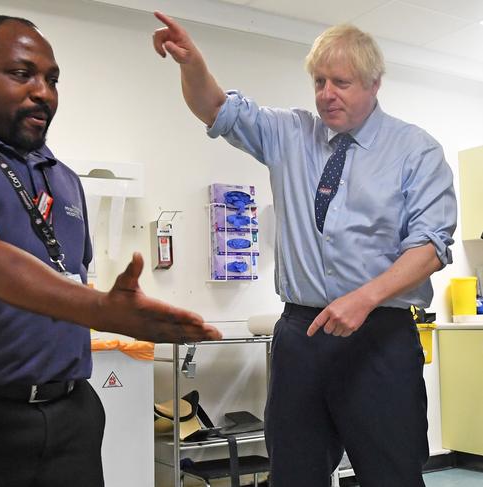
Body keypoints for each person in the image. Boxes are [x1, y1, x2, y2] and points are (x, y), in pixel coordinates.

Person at [0, 14, 220, 487]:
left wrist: (103, 308)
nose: (43, 92)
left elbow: (69, 275)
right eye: (22, 74)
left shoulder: (64, 178)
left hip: (71, 415)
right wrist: (103, 310)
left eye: (52, 79)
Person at [152, 11, 456, 487]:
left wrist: (365, 297)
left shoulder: (415, 151)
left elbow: (432, 246)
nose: (326, 94)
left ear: (374, 84)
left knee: (391, 473)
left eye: (341, 82)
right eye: (318, 81)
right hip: (301, 335)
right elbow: (215, 108)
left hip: (379, 337)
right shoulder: (290, 134)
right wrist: (192, 65)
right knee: (294, 472)